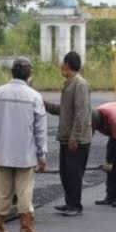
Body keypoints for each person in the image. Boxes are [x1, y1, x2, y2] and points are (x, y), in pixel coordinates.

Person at [0, 57, 47, 232]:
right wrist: (41, 155)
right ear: (29, 74)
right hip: (25, 155)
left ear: (12, 72)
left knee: (0, 192)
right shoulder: (34, 96)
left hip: (2, 152)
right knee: (24, 193)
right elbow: (40, 130)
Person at [44, 51, 92, 217]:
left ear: (68, 65)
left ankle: (75, 206)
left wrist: (75, 137)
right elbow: (64, 110)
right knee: (65, 172)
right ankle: (69, 202)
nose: (61, 66)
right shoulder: (69, 83)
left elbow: (82, 113)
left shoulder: (79, 84)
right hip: (66, 137)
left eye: (63, 63)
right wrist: (44, 104)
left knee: (74, 173)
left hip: (76, 140)